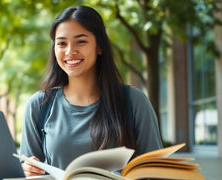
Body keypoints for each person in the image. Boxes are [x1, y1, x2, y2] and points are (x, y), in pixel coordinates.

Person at [19, 5, 162, 177]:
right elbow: (28, 169)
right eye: (62, 43)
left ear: (99, 47)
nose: (70, 51)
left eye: (81, 41)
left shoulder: (134, 101)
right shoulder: (39, 105)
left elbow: (157, 173)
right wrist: (27, 170)